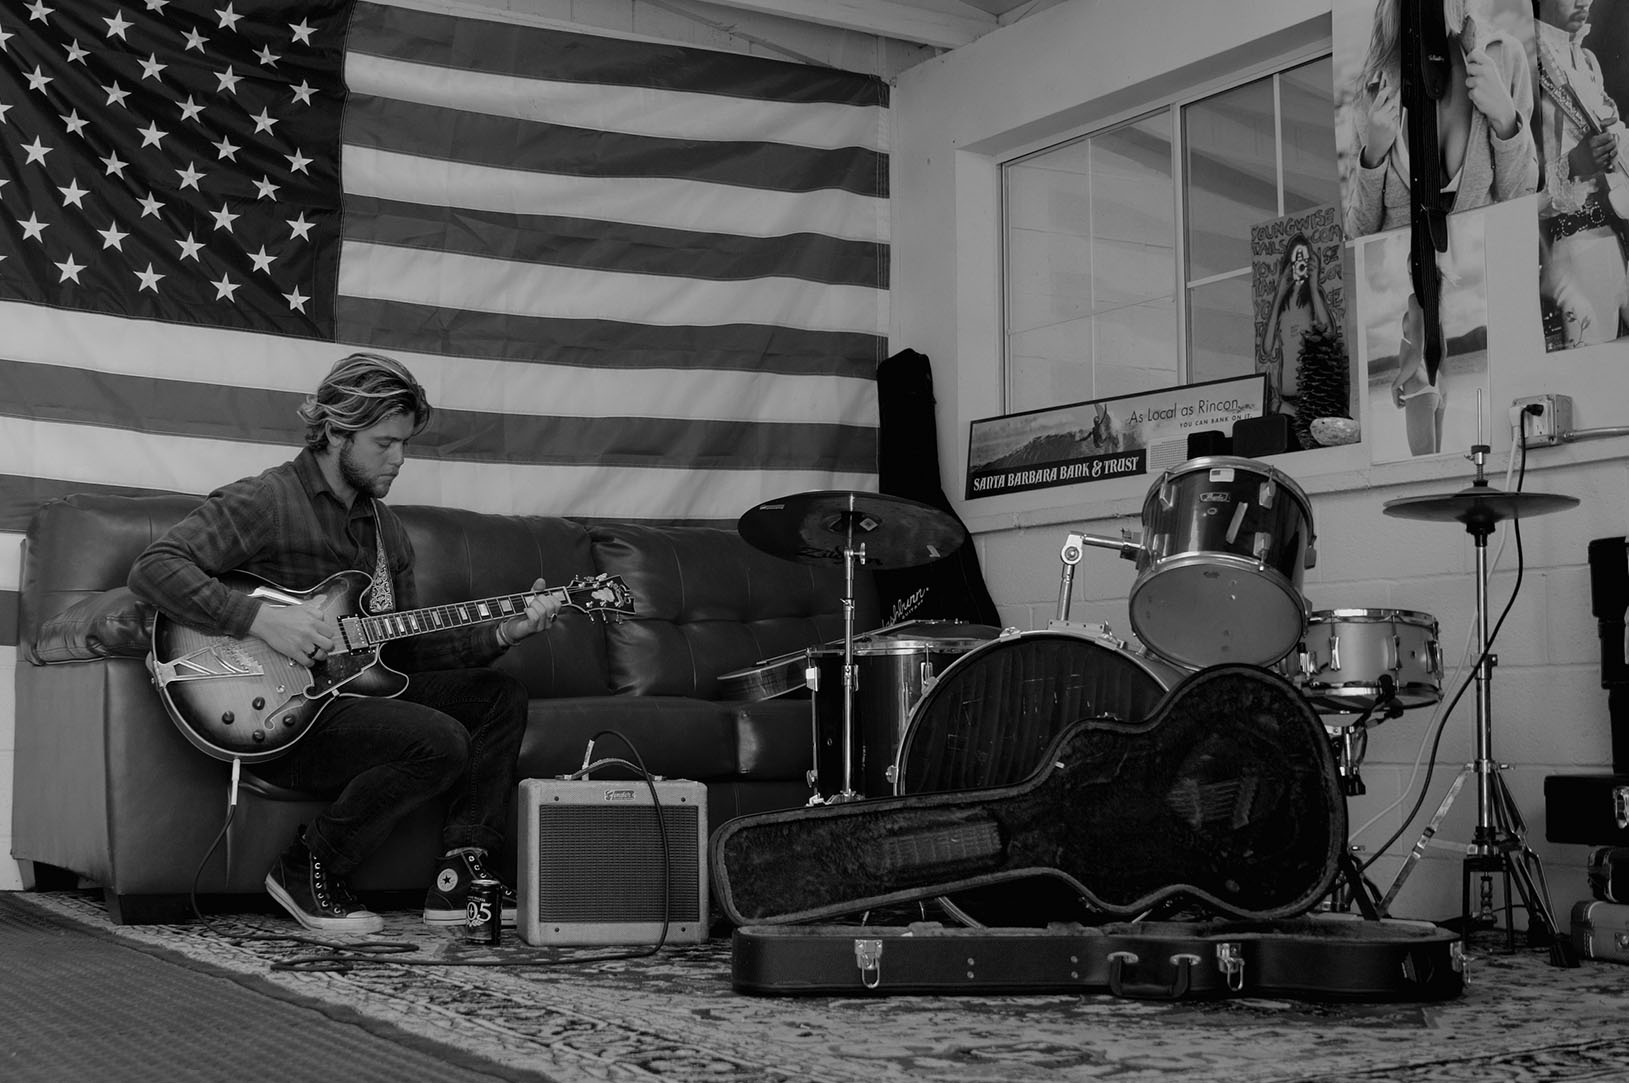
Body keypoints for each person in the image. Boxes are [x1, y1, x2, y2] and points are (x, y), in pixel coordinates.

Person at [128, 352, 561, 934]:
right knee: (438, 740)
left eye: (404, 444)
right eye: (385, 443)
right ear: (335, 431)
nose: (399, 459)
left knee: (497, 696)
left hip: (353, 699)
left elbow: (402, 653)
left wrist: (504, 631)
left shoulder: (387, 532)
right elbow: (155, 567)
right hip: (280, 716)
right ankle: (309, 865)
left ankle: (462, 876)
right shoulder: (267, 501)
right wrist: (261, 620)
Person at [1344, 0, 1539, 238]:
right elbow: (1358, 231)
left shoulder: (1503, 57)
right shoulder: (1373, 92)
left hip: (1485, 258)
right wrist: (1372, 157)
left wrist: (1506, 120)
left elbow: (1523, 196)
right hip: (1401, 262)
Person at [1534, 0, 1629, 347]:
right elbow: (1513, 194)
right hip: (1574, 252)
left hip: (1619, 236)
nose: (1583, 0)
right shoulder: (1524, 61)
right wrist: (1574, 164)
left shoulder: (1587, 60)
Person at [1257, 232, 1337, 425]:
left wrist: (1314, 284)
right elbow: (1266, 348)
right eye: (1295, 259)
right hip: (1286, 395)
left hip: (1312, 394)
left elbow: (1329, 332)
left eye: (1304, 259)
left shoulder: (1313, 296)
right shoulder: (1282, 302)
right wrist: (1279, 293)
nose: (1299, 265)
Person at [1392, 290, 1447, 455]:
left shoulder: (1416, 300)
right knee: (1435, 463)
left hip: (1419, 391)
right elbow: (1443, 350)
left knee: (1423, 463)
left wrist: (1395, 385)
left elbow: (1416, 353)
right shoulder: (1436, 302)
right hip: (1435, 389)